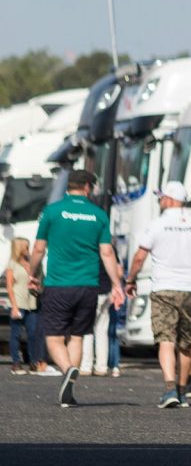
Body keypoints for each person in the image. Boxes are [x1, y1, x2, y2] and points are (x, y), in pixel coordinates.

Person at [28, 170, 125, 407]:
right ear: (88, 188)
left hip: (58, 285)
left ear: (68, 186)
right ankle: (69, 389)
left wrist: (32, 273)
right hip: (88, 286)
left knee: (54, 337)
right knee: (78, 336)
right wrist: (116, 285)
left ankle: (68, 369)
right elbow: (107, 252)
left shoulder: (52, 212)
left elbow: (39, 248)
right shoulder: (98, 214)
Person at [125, 181, 191, 409]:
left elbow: (139, 257)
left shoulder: (157, 225)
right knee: (187, 341)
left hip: (164, 288)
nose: (159, 200)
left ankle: (170, 389)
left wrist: (130, 280)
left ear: (169, 199)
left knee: (166, 339)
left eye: (161, 197)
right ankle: (184, 390)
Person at [81, 249, 122, 376]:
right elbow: (119, 271)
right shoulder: (111, 248)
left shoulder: (88, 246)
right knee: (102, 330)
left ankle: (86, 366)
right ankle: (101, 366)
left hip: (90, 289)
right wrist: (115, 285)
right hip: (106, 291)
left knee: (87, 330)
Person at [6, 238, 41, 375]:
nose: (28, 250)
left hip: (31, 303)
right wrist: (14, 307)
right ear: (19, 249)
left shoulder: (31, 264)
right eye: (26, 247)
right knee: (16, 334)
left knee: (32, 333)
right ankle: (16, 363)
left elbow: (35, 283)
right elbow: (9, 287)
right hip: (18, 303)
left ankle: (33, 361)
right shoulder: (12, 265)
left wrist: (36, 284)